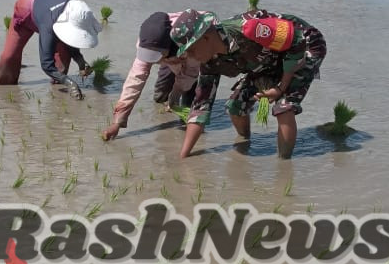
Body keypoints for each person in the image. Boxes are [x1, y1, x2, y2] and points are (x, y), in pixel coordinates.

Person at [172, 9, 328, 160]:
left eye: (191, 50)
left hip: (304, 45)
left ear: (205, 38)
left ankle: (284, 166)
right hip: (266, 61)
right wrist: (183, 157)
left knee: (284, 108)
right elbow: (201, 106)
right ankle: (246, 141)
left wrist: (281, 87)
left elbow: (297, 42)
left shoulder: (249, 28)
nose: (191, 57)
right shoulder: (209, 63)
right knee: (235, 107)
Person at [101, 10, 214, 141]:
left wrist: (176, 94)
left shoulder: (188, 41)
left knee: (189, 93)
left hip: (193, 49)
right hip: (168, 55)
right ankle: (168, 101)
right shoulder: (146, 40)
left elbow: (190, 72)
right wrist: (117, 123)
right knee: (160, 95)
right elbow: (135, 81)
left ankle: (192, 126)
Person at [0, 0, 101, 99]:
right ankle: (2, 93)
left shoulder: (76, 12)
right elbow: (46, 64)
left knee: (63, 57)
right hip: (26, 10)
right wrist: (71, 83)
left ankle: (56, 92)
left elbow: (70, 41)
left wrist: (81, 61)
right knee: (9, 57)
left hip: (49, 8)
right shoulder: (49, 24)